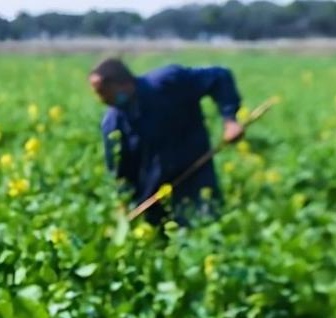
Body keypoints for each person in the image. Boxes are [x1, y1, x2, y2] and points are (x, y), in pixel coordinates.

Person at [89, 58, 244, 225]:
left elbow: (219, 77)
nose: (101, 99)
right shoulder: (113, 123)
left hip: (196, 176)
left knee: (206, 228)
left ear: (122, 83)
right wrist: (124, 203)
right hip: (154, 197)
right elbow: (120, 171)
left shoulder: (169, 82)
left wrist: (230, 121)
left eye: (103, 92)